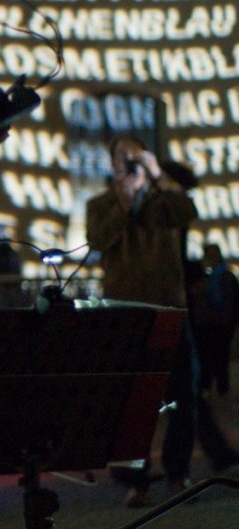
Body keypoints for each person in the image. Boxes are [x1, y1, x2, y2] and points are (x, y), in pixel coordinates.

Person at [86, 135, 239, 506]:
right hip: (124, 314)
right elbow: (97, 239)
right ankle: (136, 481)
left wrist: (157, 176)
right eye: (124, 158)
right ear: (113, 165)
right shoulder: (101, 204)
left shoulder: (165, 202)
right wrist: (124, 204)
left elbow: (187, 210)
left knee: (184, 395)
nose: (131, 163)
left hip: (170, 311)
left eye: (136, 155)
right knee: (131, 401)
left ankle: (176, 473)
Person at [194, 244, 239, 396]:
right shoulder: (204, 277)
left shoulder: (227, 277)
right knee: (206, 357)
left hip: (222, 324)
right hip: (206, 324)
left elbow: (233, 301)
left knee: (221, 356)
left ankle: (221, 387)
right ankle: (210, 386)